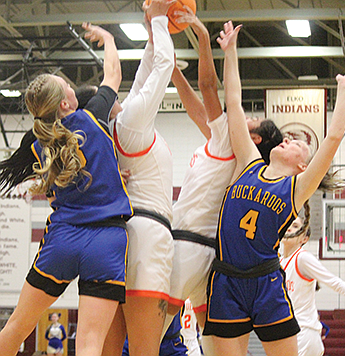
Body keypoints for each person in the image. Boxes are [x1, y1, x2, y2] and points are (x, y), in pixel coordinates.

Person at [202, 20, 345, 356]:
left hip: (266, 282)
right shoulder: (248, 162)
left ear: (303, 165)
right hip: (226, 280)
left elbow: (331, 139)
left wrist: (343, 90)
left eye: (297, 142)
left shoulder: (297, 188)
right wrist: (230, 53)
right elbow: (234, 101)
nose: (288, 138)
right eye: (287, 137)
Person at [0, 23, 133, 356]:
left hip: (63, 238)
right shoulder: (93, 117)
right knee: (89, 342)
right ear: (64, 104)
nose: (75, 88)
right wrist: (108, 39)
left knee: (17, 326)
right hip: (106, 239)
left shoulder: (36, 145)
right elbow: (113, 74)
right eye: (69, 86)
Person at [164, 10, 282, 356]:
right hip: (209, 258)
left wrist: (202, 36)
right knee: (214, 347)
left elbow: (207, 87)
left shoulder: (232, 143)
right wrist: (172, 72)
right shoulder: (228, 146)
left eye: (252, 119)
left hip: (187, 247)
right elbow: (195, 107)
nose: (244, 117)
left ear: (256, 138)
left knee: (145, 339)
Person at [101, 1, 176, 355]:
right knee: (146, 351)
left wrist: (151, 31)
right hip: (147, 237)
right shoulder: (130, 120)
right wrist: (160, 18)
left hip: (120, 239)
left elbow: (146, 71)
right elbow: (163, 66)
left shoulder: (122, 122)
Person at [280, 216, 345, 356]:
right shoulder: (280, 261)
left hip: (305, 332)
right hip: (290, 332)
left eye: (296, 226)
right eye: (288, 224)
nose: (289, 228)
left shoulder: (302, 258)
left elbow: (334, 282)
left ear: (304, 238)